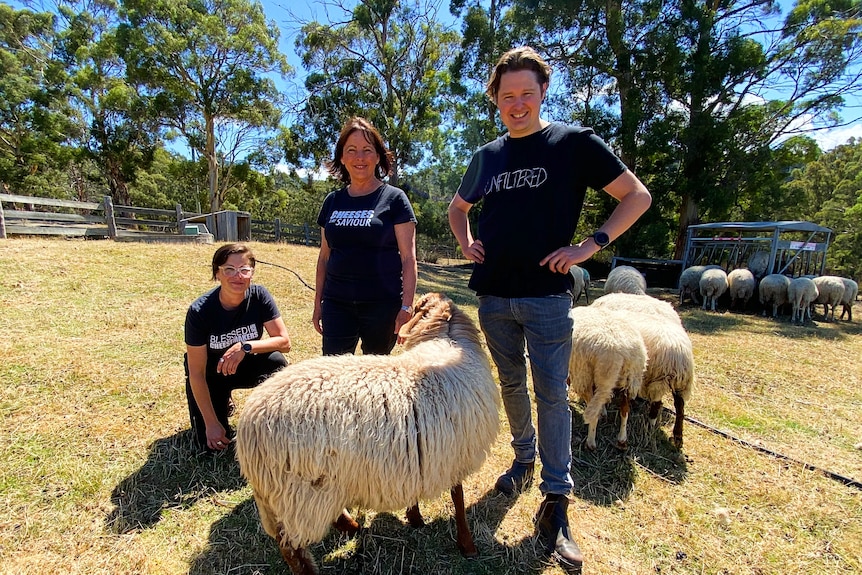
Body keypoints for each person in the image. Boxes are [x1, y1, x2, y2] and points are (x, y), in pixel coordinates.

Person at [448, 46, 652, 572]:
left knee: (553, 391)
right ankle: (521, 458)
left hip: (546, 297)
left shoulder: (573, 143)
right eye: (507, 95)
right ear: (495, 99)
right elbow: (458, 207)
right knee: (511, 384)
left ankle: (556, 501)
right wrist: (466, 239)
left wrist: (591, 245)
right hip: (493, 294)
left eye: (527, 94)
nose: (517, 104)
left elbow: (636, 196)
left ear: (542, 93)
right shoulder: (487, 157)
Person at [313, 116, 418, 356]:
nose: (359, 157)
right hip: (337, 304)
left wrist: (406, 307)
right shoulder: (332, 201)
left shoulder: (395, 199)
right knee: (334, 375)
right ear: (341, 157)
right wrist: (319, 303)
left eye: (367, 150)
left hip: (382, 306)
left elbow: (408, 259)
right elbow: (324, 258)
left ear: (378, 156)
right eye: (351, 150)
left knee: (374, 377)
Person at [184, 243, 291, 453]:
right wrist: (212, 424)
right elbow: (196, 372)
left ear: (252, 273)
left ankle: (273, 420)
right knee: (211, 447)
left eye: (244, 270)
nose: (238, 276)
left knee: (276, 362)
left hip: (245, 365)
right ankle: (219, 405)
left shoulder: (259, 296)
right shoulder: (199, 311)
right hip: (211, 374)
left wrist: (245, 346)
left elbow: (284, 342)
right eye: (229, 270)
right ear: (217, 273)